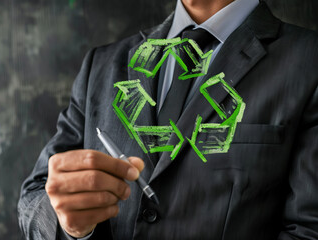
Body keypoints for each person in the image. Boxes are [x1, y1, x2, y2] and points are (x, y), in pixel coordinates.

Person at [18, 0, 318, 239]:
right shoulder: (103, 65)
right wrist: (71, 227)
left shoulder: (307, 62)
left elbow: (309, 228)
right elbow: (34, 201)